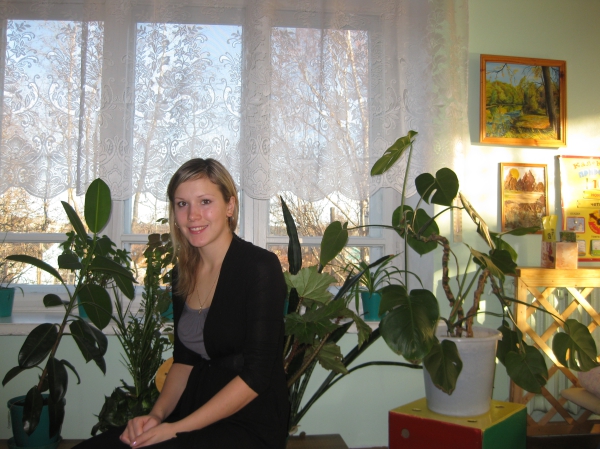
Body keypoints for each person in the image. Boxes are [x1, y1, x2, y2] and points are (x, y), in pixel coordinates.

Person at [74, 158, 290, 448]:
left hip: (248, 421)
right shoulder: (182, 272)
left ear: (230, 206)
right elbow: (184, 361)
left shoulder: (260, 268)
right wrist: (156, 417)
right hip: (193, 409)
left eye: (205, 201)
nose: (192, 215)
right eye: (182, 204)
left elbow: (257, 376)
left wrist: (175, 430)